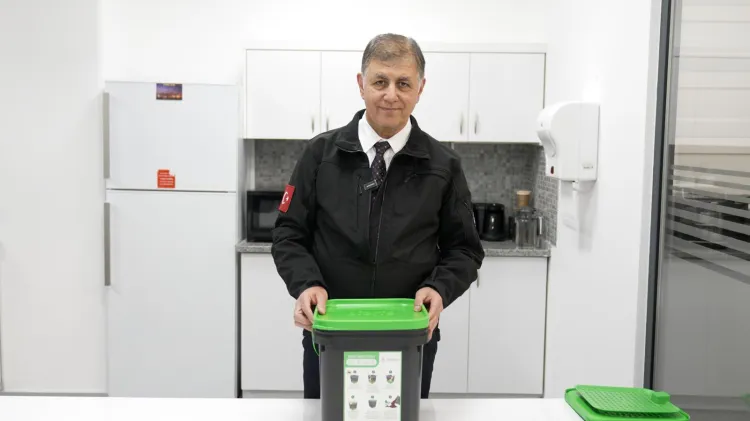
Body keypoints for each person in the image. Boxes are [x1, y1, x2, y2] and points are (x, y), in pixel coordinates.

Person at [271, 33, 485, 399]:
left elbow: (464, 250)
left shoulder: (443, 165)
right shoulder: (319, 155)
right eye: (380, 81)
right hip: (331, 333)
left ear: (420, 88)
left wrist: (439, 288)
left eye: (403, 83)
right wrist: (306, 284)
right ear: (361, 84)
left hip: (408, 337)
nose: (391, 95)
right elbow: (288, 234)